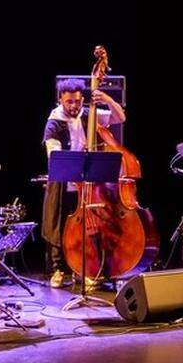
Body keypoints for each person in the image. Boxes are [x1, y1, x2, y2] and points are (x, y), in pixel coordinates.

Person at [41, 78, 126, 288]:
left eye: (77, 101)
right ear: (61, 99)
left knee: (89, 227)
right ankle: (59, 269)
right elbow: (53, 154)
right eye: (69, 101)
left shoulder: (90, 113)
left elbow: (120, 118)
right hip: (64, 182)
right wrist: (72, 167)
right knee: (59, 224)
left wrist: (107, 99)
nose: (74, 106)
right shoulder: (54, 121)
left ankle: (84, 268)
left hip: (89, 184)